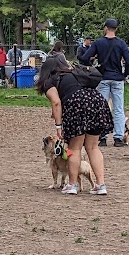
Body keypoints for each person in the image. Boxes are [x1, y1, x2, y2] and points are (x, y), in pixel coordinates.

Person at [35, 57, 111, 195]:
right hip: (97, 101)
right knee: (93, 147)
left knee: (74, 148)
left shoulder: (50, 81)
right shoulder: (74, 73)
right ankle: (100, 185)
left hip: (77, 104)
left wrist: (58, 126)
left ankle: (72, 185)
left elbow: (56, 103)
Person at [80, 18, 129, 147]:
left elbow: (85, 58)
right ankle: (118, 137)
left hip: (103, 78)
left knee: (101, 108)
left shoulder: (98, 43)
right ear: (116, 29)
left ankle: (102, 137)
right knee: (118, 108)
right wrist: (124, 74)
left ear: (105, 28)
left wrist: (93, 68)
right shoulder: (121, 44)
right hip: (117, 79)